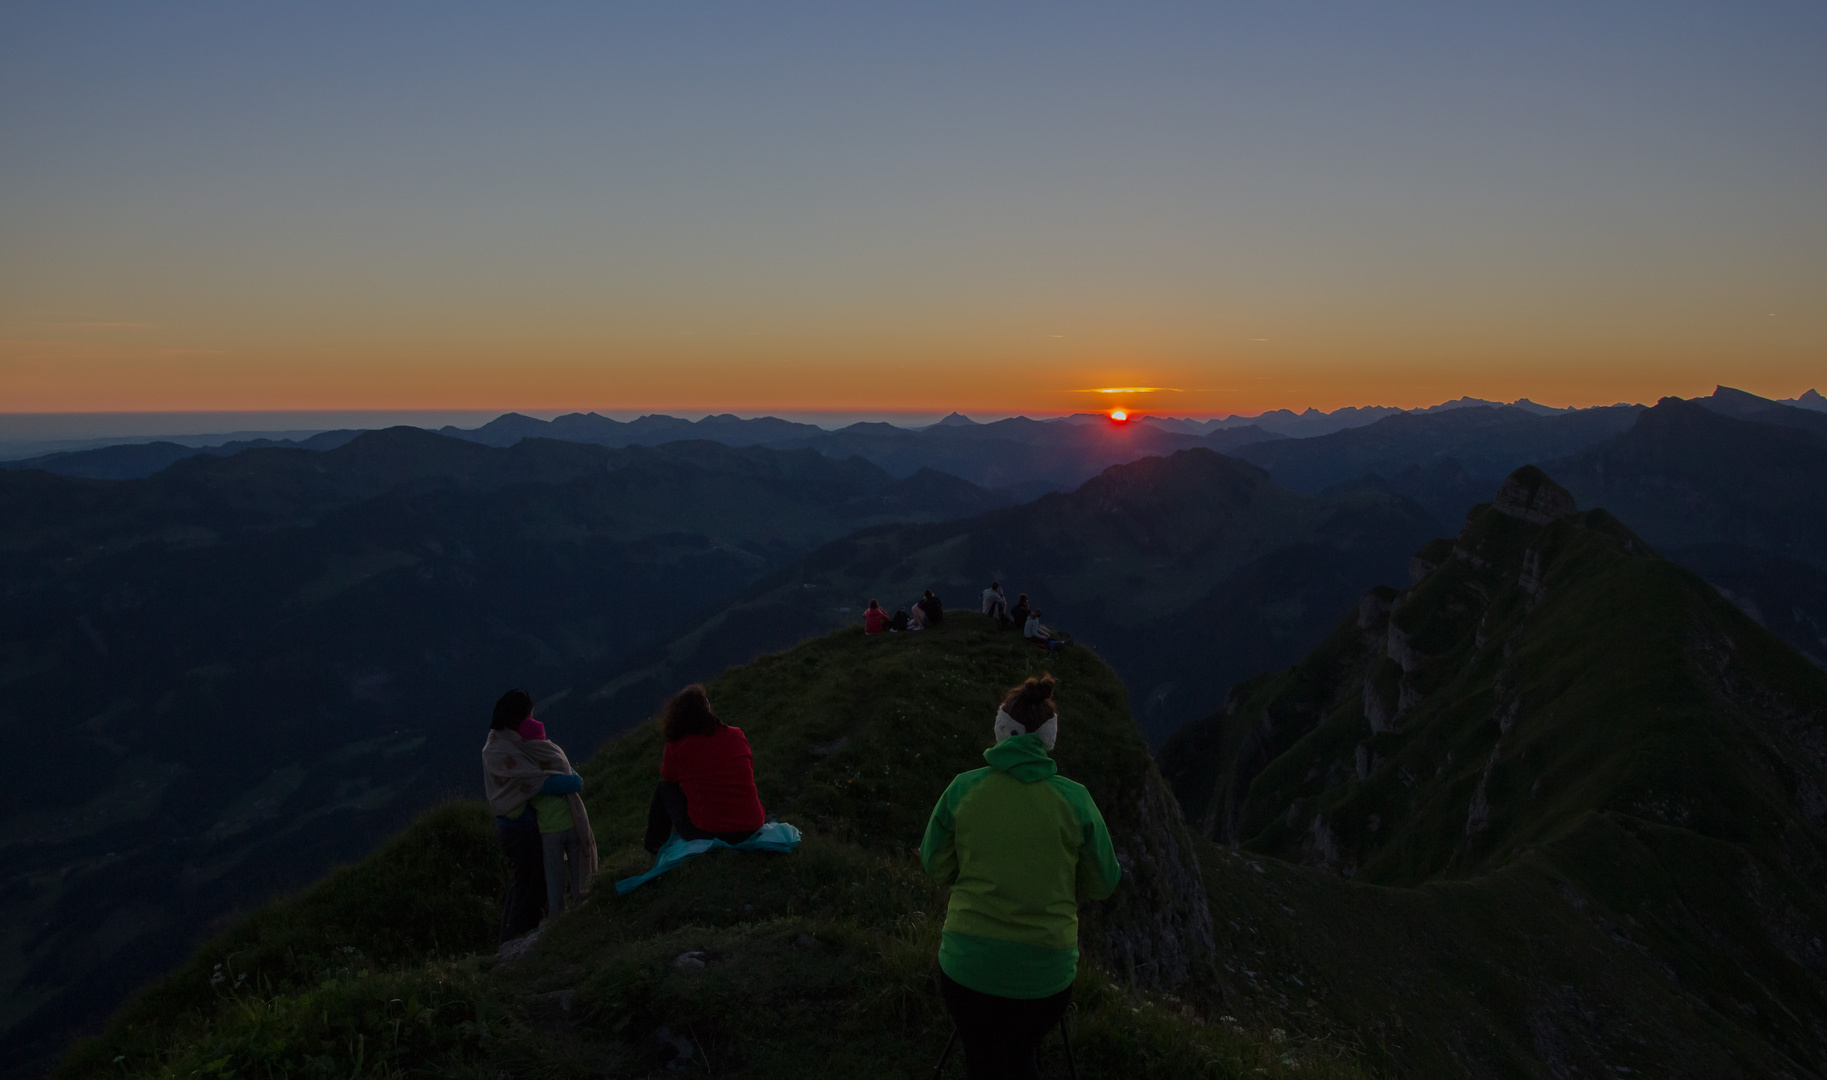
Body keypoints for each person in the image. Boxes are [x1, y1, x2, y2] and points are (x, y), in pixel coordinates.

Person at [920, 675, 1121, 1080]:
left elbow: (934, 865)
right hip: (1044, 977)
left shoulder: (963, 789)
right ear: (1049, 738)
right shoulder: (1075, 800)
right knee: (1021, 1051)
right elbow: (1103, 884)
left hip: (967, 969)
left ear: (1001, 731)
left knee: (981, 1054)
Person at [481, 689, 598, 940]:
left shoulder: (505, 741)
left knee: (523, 881)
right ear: (516, 719)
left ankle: (510, 937)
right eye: (529, 715)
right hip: (518, 830)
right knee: (531, 883)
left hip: (514, 827)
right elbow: (538, 782)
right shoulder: (501, 749)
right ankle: (521, 935)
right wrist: (574, 781)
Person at [644, 685, 768, 854]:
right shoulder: (736, 735)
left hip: (710, 835)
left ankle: (654, 845)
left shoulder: (677, 747)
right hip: (753, 827)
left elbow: (669, 777)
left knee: (664, 788)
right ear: (707, 710)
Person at [515, 713, 591, 918]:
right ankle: (581, 901)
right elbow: (576, 781)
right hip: (572, 824)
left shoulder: (526, 770)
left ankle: (557, 912)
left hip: (549, 831)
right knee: (577, 868)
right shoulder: (558, 759)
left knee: (554, 874)